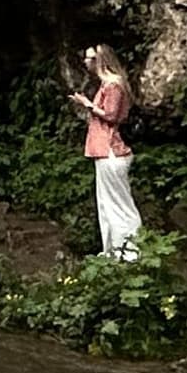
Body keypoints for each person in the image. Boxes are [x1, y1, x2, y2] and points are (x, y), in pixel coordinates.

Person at [65, 45, 140, 260]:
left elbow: (111, 115)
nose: (85, 62)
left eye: (89, 58)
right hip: (103, 151)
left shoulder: (113, 84)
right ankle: (114, 253)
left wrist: (87, 104)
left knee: (119, 205)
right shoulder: (108, 84)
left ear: (99, 60)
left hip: (111, 151)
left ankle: (130, 253)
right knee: (106, 205)